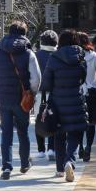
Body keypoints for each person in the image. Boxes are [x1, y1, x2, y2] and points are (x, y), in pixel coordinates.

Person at [0, 20, 41, 180]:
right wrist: (31, 94)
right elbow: (36, 78)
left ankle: (6, 167)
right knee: (23, 132)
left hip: (4, 98)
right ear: (24, 34)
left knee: (6, 133)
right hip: (21, 99)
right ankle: (25, 163)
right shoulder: (28, 53)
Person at [40, 29, 87, 182]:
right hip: (76, 99)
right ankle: (70, 161)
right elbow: (83, 77)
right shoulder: (80, 57)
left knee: (59, 135)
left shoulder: (54, 58)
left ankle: (60, 169)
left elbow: (46, 83)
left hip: (58, 101)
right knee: (75, 133)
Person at [77, 32, 96, 162]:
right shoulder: (94, 56)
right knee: (91, 123)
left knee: (77, 121)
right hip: (91, 92)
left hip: (76, 92)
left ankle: (79, 146)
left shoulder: (72, 56)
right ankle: (88, 147)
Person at [34, 30, 58, 160]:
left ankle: (41, 149)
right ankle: (51, 148)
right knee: (54, 120)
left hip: (39, 93)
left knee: (39, 119)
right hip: (56, 93)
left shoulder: (36, 55)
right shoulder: (58, 54)